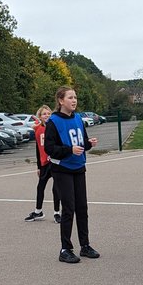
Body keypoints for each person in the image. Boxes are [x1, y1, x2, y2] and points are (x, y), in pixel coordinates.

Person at [45, 86, 100, 263]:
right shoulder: (53, 121)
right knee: (69, 209)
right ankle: (65, 249)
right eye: (70, 97)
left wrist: (88, 143)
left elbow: (81, 141)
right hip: (62, 169)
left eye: (75, 97)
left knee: (82, 208)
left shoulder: (78, 118)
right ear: (61, 101)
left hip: (78, 167)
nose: (74, 100)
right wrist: (69, 150)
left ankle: (85, 245)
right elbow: (50, 149)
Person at [25, 105, 61, 223]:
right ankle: (38, 211)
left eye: (48, 113)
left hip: (55, 162)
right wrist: (38, 166)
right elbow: (37, 149)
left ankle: (57, 213)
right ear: (39, 116)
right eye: (44, 114)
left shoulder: (54, 127)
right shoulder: (38, 130)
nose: (47, 115)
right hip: (44, 163)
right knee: (40, 187)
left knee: (56, 189)